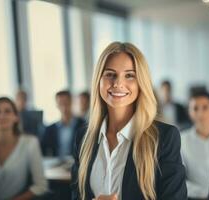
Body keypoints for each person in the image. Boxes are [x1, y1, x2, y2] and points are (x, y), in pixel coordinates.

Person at [71, 42, 187, 200]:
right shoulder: (83, 137)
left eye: (129, 75)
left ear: (141, 83)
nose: (118, 83)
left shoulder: (164, 137)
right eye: (110, 74)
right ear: (99, 80)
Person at [0, 97, 48, 199]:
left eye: (7, 111)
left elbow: (41, 186)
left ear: (16, 117)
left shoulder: (30, 143)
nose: (2, 116)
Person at [42, 90, 85, 157]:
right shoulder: (50, 129)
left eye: (66, 103)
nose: (63, 107)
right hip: (57, 164)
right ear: (57, 105)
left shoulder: (83, 125)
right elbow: (44, 150)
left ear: (71, 102)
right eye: (60, 104)